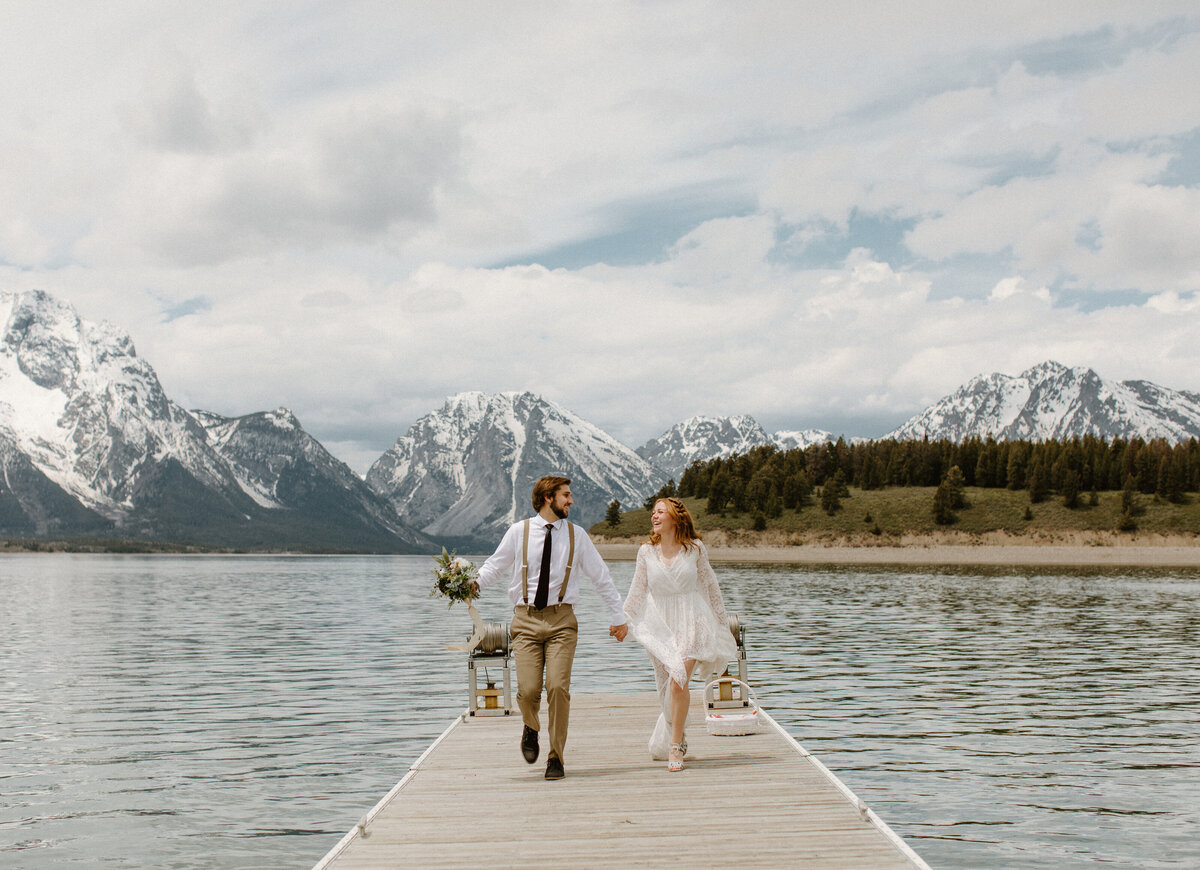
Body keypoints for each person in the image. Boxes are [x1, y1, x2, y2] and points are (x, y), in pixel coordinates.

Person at [475, 475, 629, 780]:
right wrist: (472, 584)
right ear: (548, 498)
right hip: (525, 620)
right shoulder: (519, 532)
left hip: (562, 622)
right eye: (566, 495)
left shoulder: (578, 535)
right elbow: (495, 566)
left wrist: (618, 616)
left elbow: (601, 576)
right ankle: (530, 726)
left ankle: (556, 756)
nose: (571, 501)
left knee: (558, 687)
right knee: (528, 690)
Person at [623, 497, 736, 772]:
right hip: (660, 626)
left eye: (660, 511)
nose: (654, 516)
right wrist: (622, 621)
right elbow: (637, 592)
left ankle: (676, 746)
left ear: (676, 517)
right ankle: (678, 732)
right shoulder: (646, 552)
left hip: (692, 620)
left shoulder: (695, 549)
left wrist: (722, 625)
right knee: (666, 691)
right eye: (653, 512)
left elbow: (710, 586)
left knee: (678, 681)